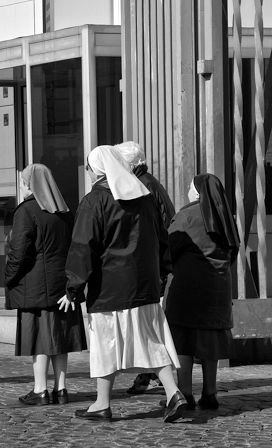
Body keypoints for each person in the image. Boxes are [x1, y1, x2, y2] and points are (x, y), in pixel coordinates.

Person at [59, 145, 186, 423]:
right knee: (152, 342)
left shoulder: (95, 201)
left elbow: (83, 247)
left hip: (110, 288)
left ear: (98, 170)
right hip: (144, 286)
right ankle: (173, 392)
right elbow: (161, 239)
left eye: (89, 168)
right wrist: (162, 273)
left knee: (106, 346)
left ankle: (102, 403)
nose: (88, 172)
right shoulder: (145, 197)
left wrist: (73, 288)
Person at [5, 164, 87, 406]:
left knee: (40, 338)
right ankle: (61, 389)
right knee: (60, 337)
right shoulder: (65, 211)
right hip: (62, 285)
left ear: (30, 185)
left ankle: (40, 389)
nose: (21, 186)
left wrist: (8, 277)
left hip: (35, 286)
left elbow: (19, 252)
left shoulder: (26, 211)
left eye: (23, 182)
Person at [164, 174, 239, 410]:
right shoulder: (225, 217)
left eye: (190, 187)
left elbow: (169, 250)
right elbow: (233, 252)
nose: (187, 190)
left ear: (197, 192)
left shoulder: (186, 216)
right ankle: (210, 393)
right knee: (211, 342)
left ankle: (185, 393)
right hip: (217, 289)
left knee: (183, 341)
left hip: (187, 288)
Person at [116, 141, 176, 395]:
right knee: (150, 325)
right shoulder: (147, 182)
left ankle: (154, 377)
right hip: (157, 262)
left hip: (154, 264)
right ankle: (151, 376)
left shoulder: (142, 186)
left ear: (130, 164)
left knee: (150, 326)